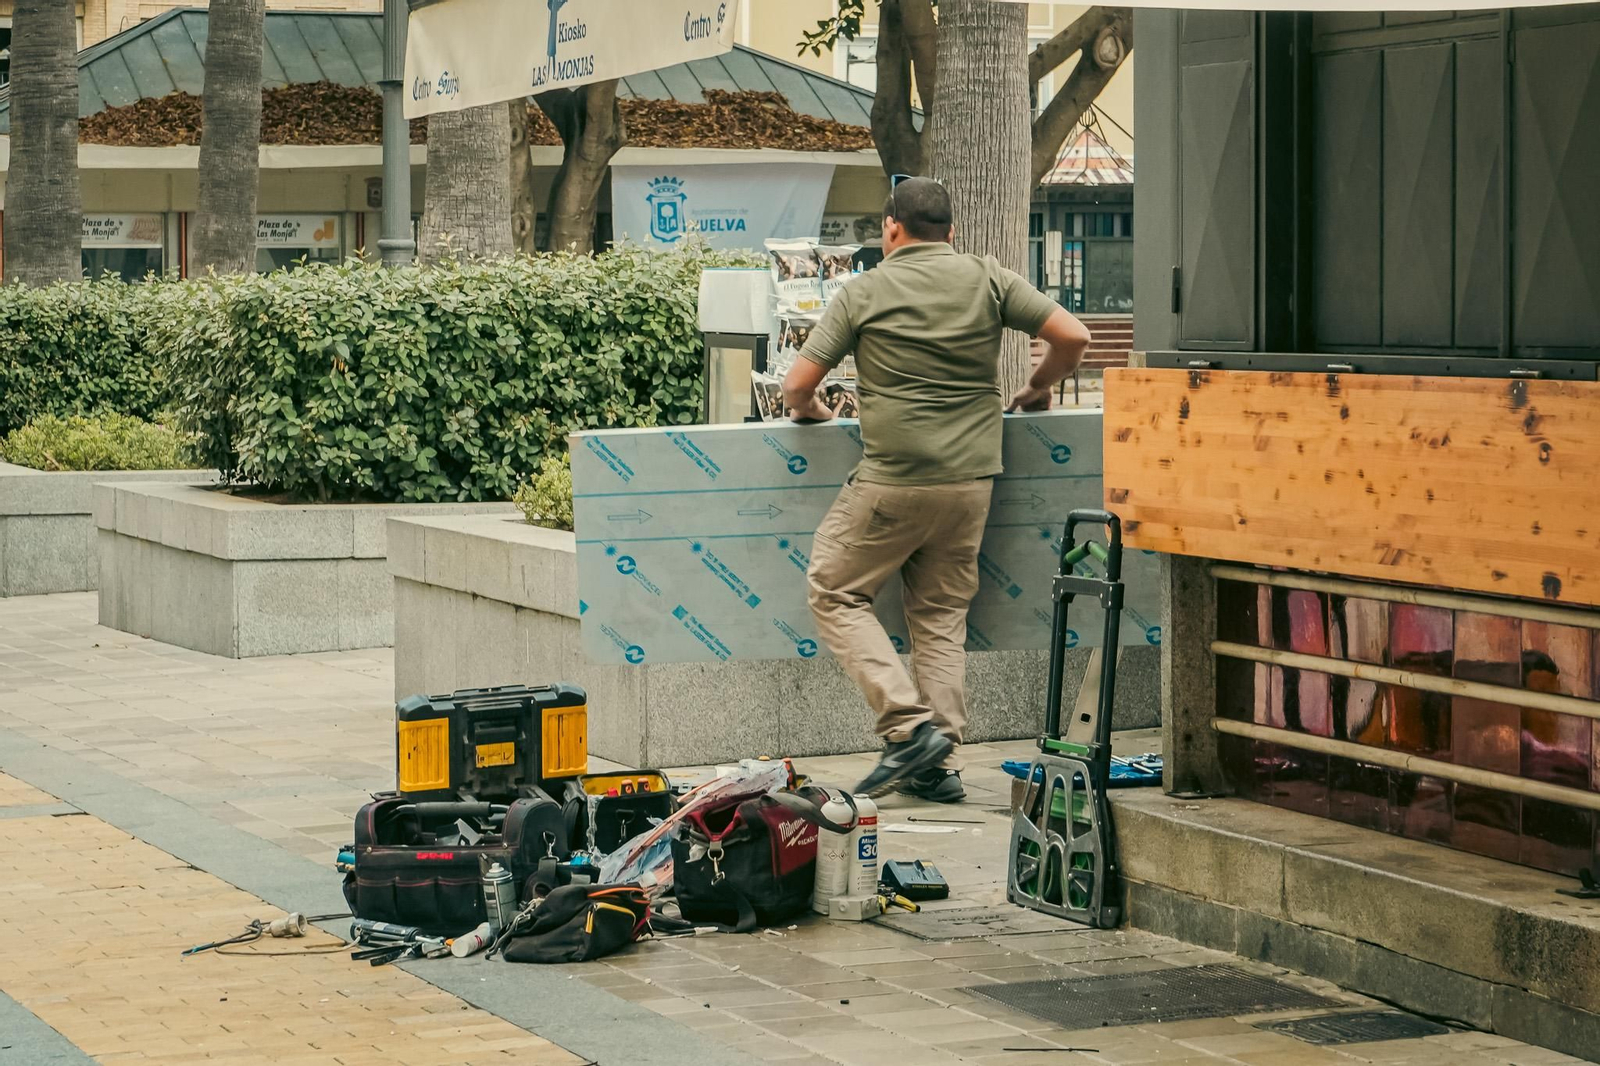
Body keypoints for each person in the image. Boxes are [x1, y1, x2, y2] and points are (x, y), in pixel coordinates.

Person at [781, 176, 1092, 802]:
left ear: (890, 227)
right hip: (972, 483)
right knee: (941, 615)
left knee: (834, 588)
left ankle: (906, 727)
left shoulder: (863, 291)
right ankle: (936, 761)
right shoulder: (988, 277)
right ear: (950, 231)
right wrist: (1035, 387)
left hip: (894, 480)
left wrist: (812, 411)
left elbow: (796, 386)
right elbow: (1073, 337)